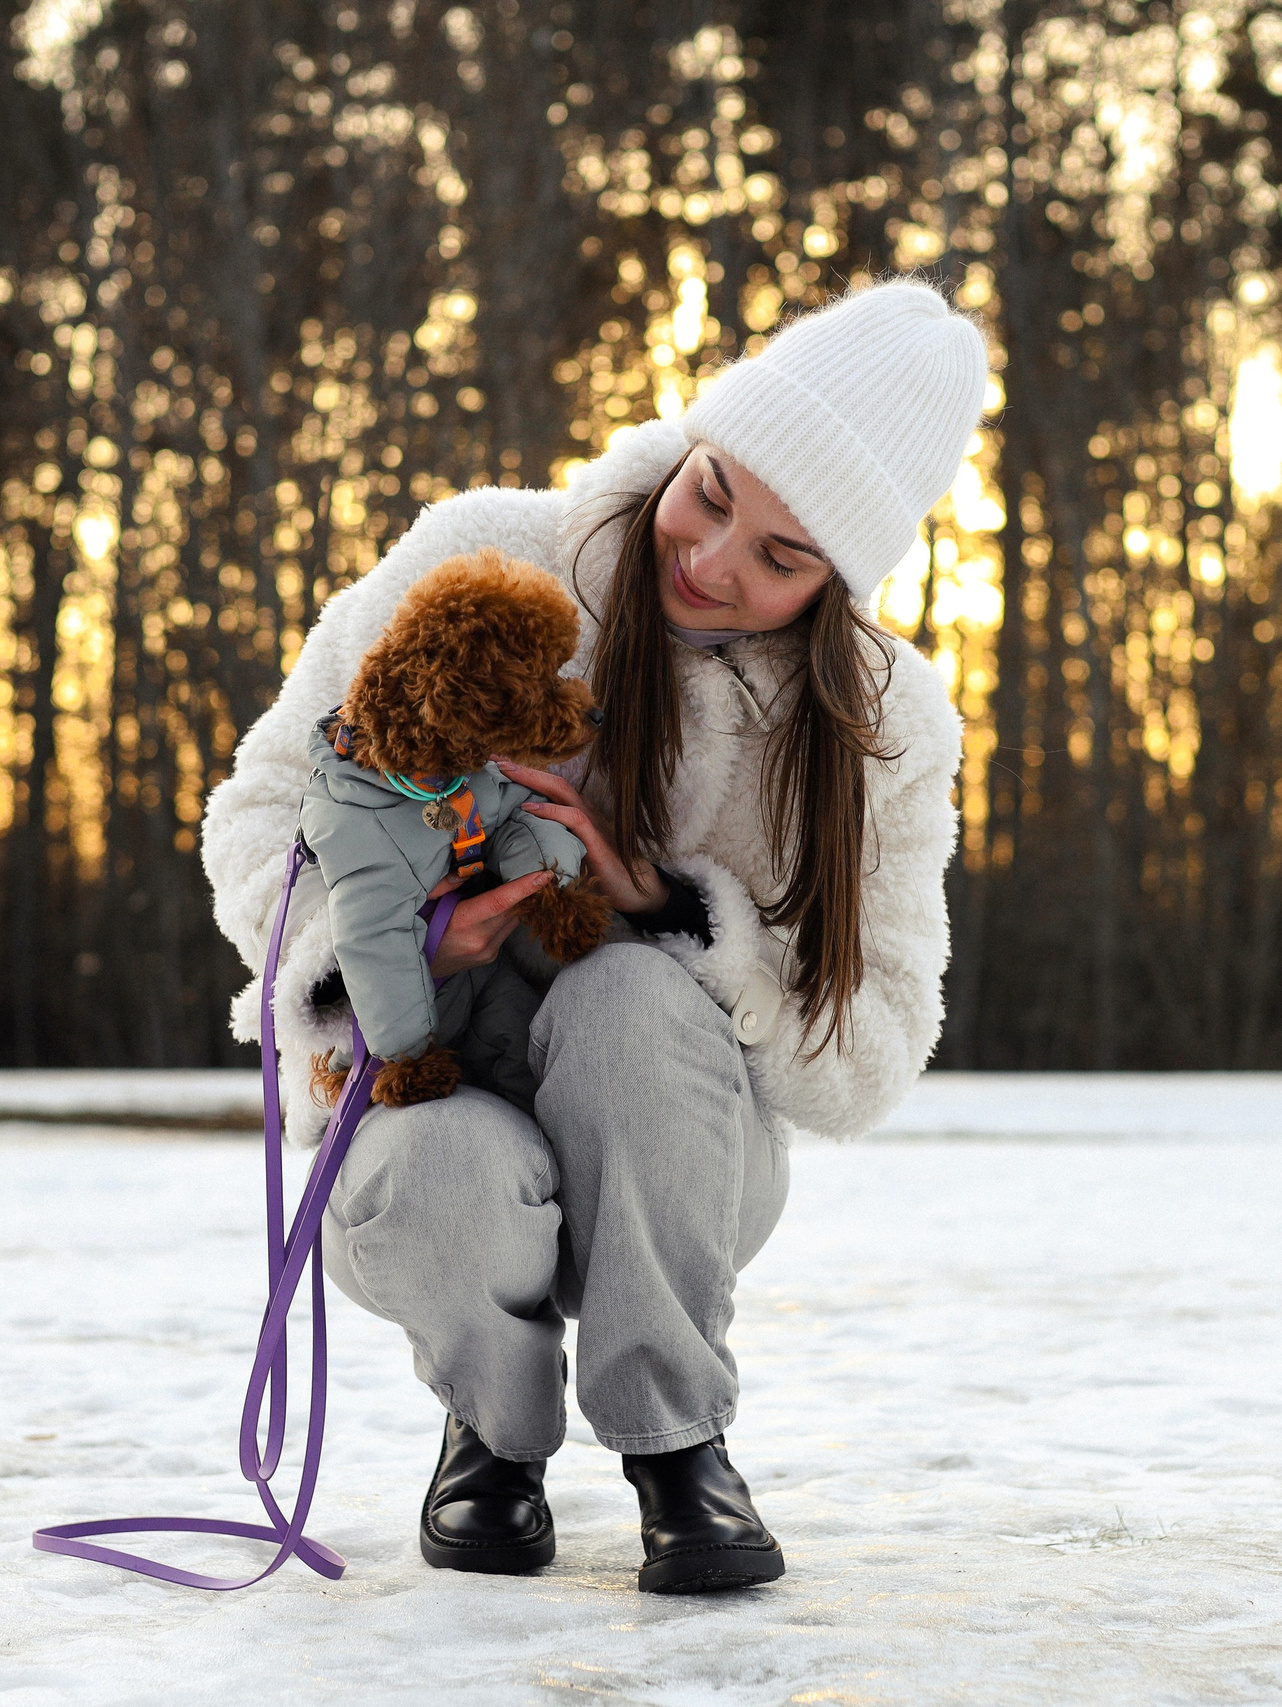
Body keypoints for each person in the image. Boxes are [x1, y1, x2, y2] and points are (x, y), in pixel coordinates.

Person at [200, 276, 987, 1594]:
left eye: (782, 558)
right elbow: (268, 806)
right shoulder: (482, 555)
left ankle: (681, 1444)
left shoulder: (883, 728)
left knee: (630, 994)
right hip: (426, 1082)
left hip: (679, 1145)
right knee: (435, 1169)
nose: (713, 560)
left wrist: (672, 916)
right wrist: (394, 942)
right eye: (714, 492)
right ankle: (492, 1438)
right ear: (692, 446)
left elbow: (880, 1037)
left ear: (842, 581)